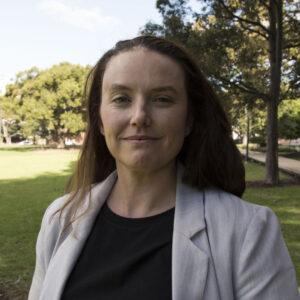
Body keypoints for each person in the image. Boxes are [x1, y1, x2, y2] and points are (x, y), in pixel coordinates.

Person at [29, 36, 299, 300]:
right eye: (122, 99)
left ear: (189, 120)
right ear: (100, 120)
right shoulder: (60, 220)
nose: (139, 117)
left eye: (162, 99)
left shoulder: (247, 230)